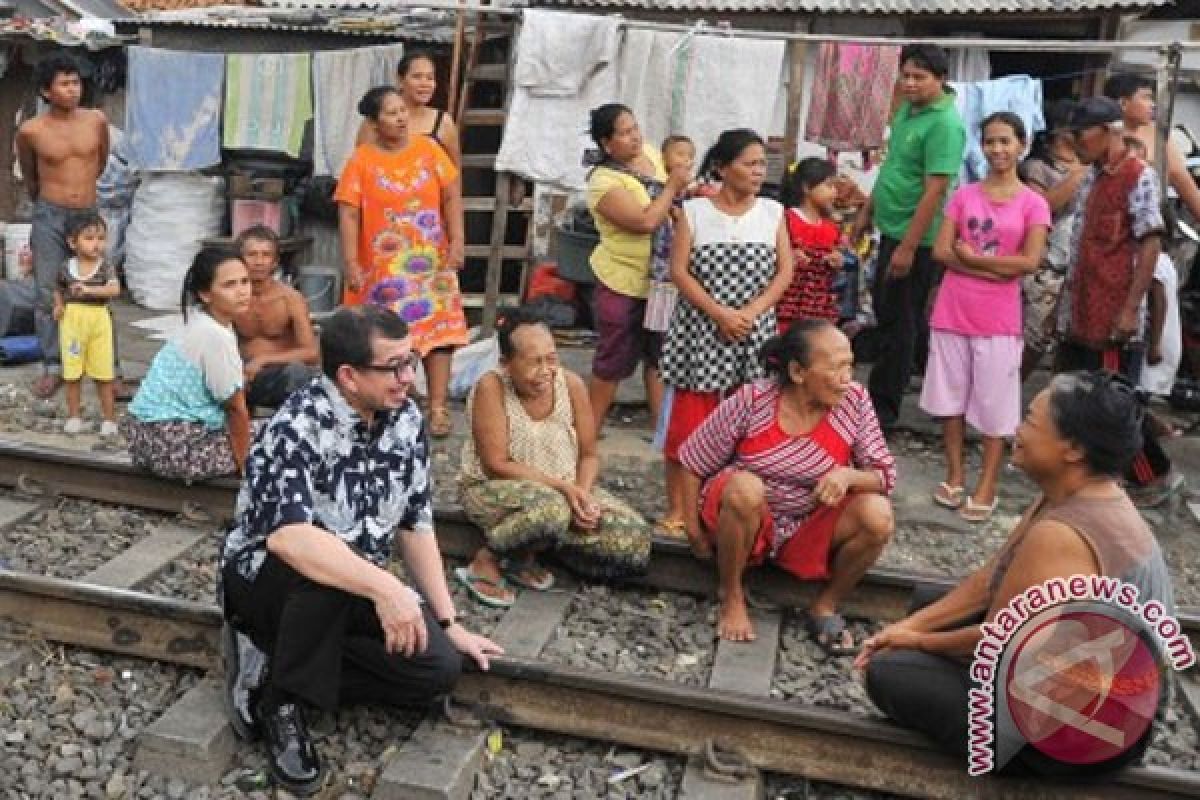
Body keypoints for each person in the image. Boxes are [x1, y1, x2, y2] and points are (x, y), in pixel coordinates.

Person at [219, 305, 502, 795]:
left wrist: (449, 621)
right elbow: (290, 538)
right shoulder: (297, 424)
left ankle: (276, 655)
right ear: (349, 376)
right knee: (324, 567)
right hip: (269, 579)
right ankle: (279, 702)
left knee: (436, 669)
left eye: (410, 361)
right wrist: (387, 588)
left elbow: (415, 521)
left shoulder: (405, 419)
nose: (408, 376)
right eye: (394, 367)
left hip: (353, 582)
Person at [857, 371, 1174, 776]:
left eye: (1029, 421)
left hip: (1084, 738)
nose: (1017, 430)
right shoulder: (1070, 496)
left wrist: (916, 642)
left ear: (1073, 449)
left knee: (890, 672)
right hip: (1101, 698)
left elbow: (997, 642)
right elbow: (988, 582)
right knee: (925, 602)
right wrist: (906, 628)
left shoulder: (1062, 534)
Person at [679, 321, 895, 646]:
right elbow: (693, 460)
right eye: (836, 368)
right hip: (748, 516)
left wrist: (848, 475)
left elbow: (884, 476)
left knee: (878, 514)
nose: (846, 378)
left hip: (808, 524)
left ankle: (825, 605)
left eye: (849, 366)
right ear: (797, 372)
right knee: (745, 488)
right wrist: (692, 530)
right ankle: (732, 594)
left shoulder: (855, 401)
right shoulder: (754, 399)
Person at [455, 308, 653, 607]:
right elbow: (496, 464)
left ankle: (528, 550)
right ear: (506, 363)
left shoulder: (571, 384)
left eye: (551, 359)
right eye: (533, 362)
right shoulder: (490, 387)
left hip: (564, 491)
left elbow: (588, 455)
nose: (546, 370)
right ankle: (487, 561)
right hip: (493, 489)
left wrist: (582, 497)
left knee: (636, 539)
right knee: (552, 511)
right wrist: (564, 491)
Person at [659, 129, 793, 542]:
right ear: (722, 167)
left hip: (754, 329)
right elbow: (679, 272)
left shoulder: (772, 212)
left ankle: (727, 506)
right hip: (701, 327)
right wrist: (720, 313)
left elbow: (784, 272)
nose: (759, 171)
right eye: (750, 163)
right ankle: (680, 509)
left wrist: (749, 314)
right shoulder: (695, 211)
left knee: (748, 418)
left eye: (761, 164)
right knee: (691, 417)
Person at [922, 113, 1051, 523]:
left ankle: (987, 484)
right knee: (950, 399)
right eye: (990, 141)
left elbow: (1030, 261)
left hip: (998, 318)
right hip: (953, 310)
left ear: (1022, 145)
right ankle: (956, 474)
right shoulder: (964, 194)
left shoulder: (1034, 203)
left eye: (1005, 142)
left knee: (996, 406)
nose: (997, 149)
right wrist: (994, 267)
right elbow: (941, 252)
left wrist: (974, 260)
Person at [1054, 96, 1181, 507]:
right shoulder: (1092, 176)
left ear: (1109, 131)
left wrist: (1129, 309)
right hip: (1082, 304)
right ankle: (1096, 476)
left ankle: (1152, 475)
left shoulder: (1138, 175)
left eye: (1081, 134)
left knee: (1114, 402)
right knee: (1082, 396)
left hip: (1114, 310)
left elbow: (1149, 244)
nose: (1075, 142)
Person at [337, 86, 467, 438]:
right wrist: (351, 263)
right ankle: (399, 403)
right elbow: (349, 215)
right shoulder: (361, 160)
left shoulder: (429, 150)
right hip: (382, 270)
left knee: (439, 337)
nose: (401, 118)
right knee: (386, 340)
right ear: (375, 122)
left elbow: (452, 195)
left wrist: (457, 240)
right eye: (392, 113)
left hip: (431, 263)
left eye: (402, 111)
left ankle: (438, 407)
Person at [852, 44, 967, 430]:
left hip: (916, 239)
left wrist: (907, 246)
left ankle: (883, 411)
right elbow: (892, 169)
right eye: (907, 75)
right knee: (888, 315)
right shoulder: (906, 111)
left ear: (941, 79)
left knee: (899, 323)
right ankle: (885, 398)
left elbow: (934, 191)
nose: (911, 82)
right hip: (891, 227)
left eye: (920, 77)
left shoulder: (945, 125)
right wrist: (867, 212)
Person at [584, 103, 689, 437]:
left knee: (659, 356)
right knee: (612, 361)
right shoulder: (603, 182)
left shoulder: (650, 154)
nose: (635, 137)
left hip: (661, 282)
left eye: (635, 128)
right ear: (606, 143)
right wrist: (672, 187)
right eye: (625, 133)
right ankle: (587, 434)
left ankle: (662, 435)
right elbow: (644, 221)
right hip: (622, 280)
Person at [15, 51, 110, 400]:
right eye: (65, 84)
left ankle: (105, 366)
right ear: (46, 92)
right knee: (47, 291)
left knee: (97, 285)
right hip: (49, 213)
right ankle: (54, 365)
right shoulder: (31, 130)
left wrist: (82, 197)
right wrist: (49, 201)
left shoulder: (96, 120)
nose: (73, 90)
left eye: (76, 82)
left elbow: (99, 162)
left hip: (86, 212)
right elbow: (30, 173)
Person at [124, 250, 251, 482]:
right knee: (276, 434)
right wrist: (245, 468)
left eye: (245, 281)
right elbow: (235, 408)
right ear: (205, 294)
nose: (242, 291)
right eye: (229, 285)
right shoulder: (215, 334)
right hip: (173, 446)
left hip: (141, 437)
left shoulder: (198, 319)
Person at [1019, 99, 1086, 380]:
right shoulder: (1037, 167)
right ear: (1061, 131)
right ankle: (1009, 387)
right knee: (1034, 334)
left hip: (1075, 264)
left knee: (1059, 337)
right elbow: (1043, 207)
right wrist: (1079, 174)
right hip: (1045, 264)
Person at [232, 226, 319, 409]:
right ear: (240, 259)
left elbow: (311, 353)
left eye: (266, 255)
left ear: (275, 261)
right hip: (240, 376)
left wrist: (263, 360)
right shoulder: (231, 297)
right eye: (252, 255)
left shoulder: (291, 299)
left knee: (300, 373)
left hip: (281, 374)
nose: (259, 262)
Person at [1105, 73, 1200, 242]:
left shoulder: (1158, 134)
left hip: (1151, 226)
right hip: (1109, 224)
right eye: (1146, 98)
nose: (1153, 105)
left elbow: (1183, 181)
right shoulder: (1102, 134)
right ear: (1123, 103)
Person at [53, 213, 119, 436]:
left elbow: (114, 289)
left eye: (101, 238)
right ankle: (74, 416)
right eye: (89, 238)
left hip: (98, 319)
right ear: (73, 242)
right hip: (72, 321)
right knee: (72, 371)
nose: (96, 244)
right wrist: (59, 305)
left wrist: (89, 289)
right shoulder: (66, 267)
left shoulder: (105, 266)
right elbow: (58, 288)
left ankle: (109, 419)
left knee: (104, 372)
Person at [357, 50, 461, 168]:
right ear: (400, 80)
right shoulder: (376, 120)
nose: (425, 84)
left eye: (430, 78)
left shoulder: (443, 122)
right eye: (417, 77)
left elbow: (454, 174)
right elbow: (361, 167)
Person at [777, 157, 845, 330]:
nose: (834, 193)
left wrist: (837, 261)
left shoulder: (832, 228)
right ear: (807, 187)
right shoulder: (786, 219)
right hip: (789, 304)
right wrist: (788, 257)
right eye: (829, 186)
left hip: (819, 305)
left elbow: (838, 259)